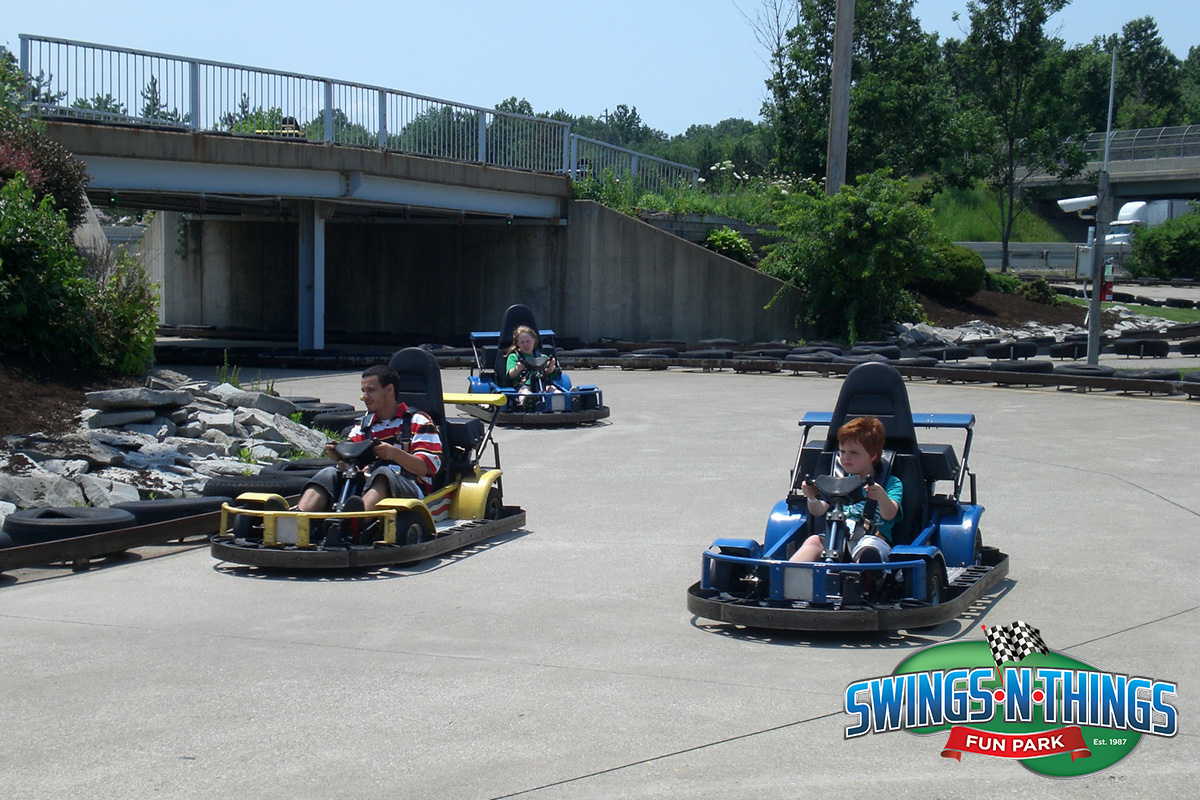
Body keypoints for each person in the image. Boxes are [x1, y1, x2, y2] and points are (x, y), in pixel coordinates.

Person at [297, 364, 442, 513]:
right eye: (364, 391)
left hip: (411, 492)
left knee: (383, 474)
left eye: (371, 391)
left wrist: (394, 453)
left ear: (389, 390)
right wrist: (340, 455)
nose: (365, 397)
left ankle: (355, 522)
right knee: (329, 473)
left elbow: (428, 467)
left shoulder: (418, 421)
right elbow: (351, 461)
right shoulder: (364, 426)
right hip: (366, 488)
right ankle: (297, 519)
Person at [788, 416, 902, 564]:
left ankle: (866, 578)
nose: (846, 458)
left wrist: (881, 497)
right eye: (842, 452)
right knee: (813, 541)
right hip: (836, 535)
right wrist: (811, 497)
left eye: (854, 453)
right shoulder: (836, 480)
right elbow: (819, 511)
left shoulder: (890, 483)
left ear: (873, 455)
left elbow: (889, 514)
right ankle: (789, 576)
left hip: (872, 537)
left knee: (868, 550)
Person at [505, 325, 562, 407]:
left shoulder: (543, 357)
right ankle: (528, 403)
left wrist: (551, 367)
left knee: (553, 390)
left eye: (528, 341)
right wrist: (517, 369)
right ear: (518, 344)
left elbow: (549, 373)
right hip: (524, 384)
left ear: (534, 341)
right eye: (522, 342)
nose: (525, 345)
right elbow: (510, 374)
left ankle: (562, 402)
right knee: (525, 392)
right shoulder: (514, 357)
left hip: (543, 384)